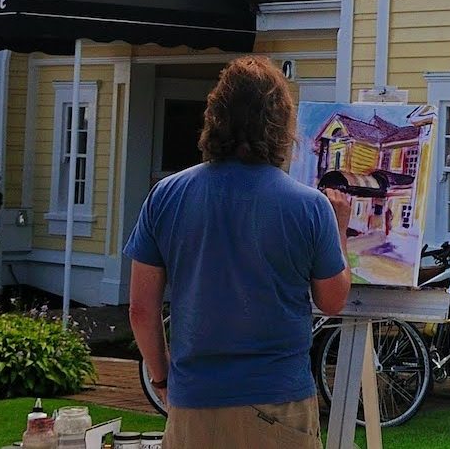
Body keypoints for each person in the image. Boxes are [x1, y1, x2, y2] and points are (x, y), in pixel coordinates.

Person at [125, 56, 350, 448]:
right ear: (282, 124)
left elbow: (141, 310)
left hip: (193, 403)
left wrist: (161, 378)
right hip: (279, 403)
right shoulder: (310, 207)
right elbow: (332, 301)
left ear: (215, 115)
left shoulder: (166, 196)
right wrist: (341, 229)